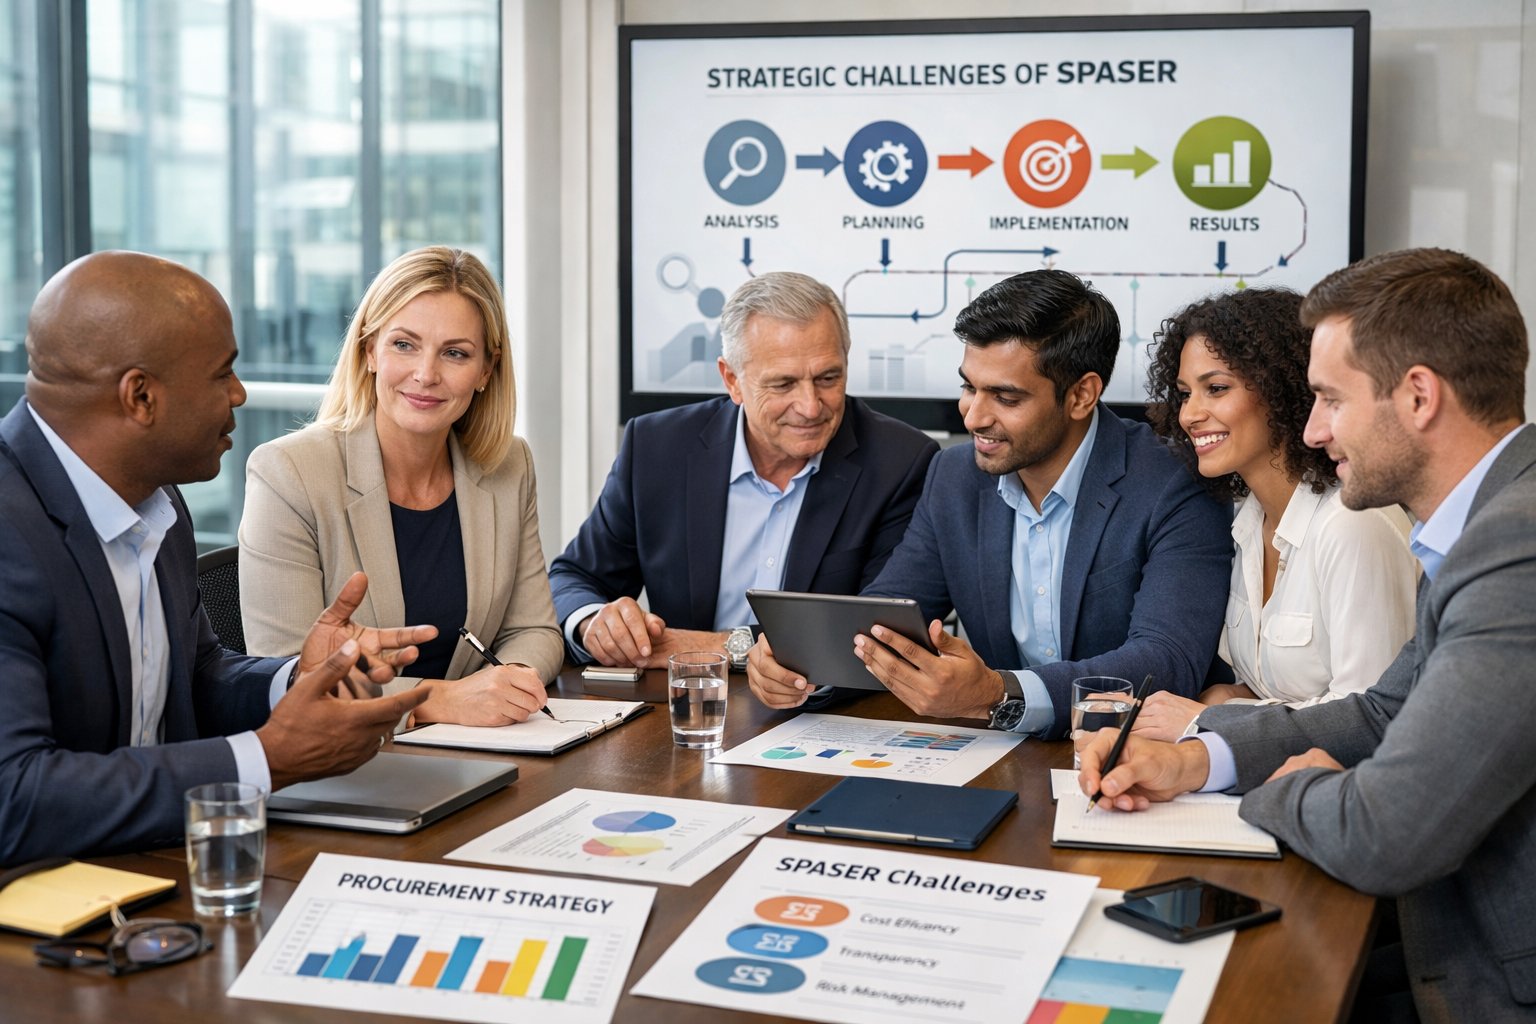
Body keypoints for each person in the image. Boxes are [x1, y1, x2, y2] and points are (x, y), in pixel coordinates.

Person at [1079, 248, 1534, 1024]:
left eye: (1329, 399)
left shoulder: (1512, 549)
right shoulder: (1478, 529)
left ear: (1418, 395)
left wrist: (1285, 784)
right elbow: (1380, 714)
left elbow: (1387, 832)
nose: (1315, 427)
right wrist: (1197, 759)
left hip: (1487, 974)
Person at [0, 251, 436, 863]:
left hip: (161, 873)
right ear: (140, 397)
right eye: (222, 373)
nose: (240, 393)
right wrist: (266, 759)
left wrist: (297, 680)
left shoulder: (156, 499)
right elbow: (12, 798)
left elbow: (196, 678)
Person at [747, 269, 1234, 738]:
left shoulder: (1174, 481)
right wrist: (801, 666)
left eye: (1005, 397)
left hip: (1134, 757)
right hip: (1000, 757)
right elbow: (886, 617)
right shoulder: (954, 477)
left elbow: (1167, 659)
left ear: (1082, 395)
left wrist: (1000, 694)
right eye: (968, 386)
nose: (974, 416)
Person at [547, 271, 939, 670]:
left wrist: (718, 647)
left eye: (828, 378)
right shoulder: (656, 447)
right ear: (732, 380)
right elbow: (574, 577)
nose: (810, 406)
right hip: (683, 706)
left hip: (818, 712)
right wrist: (594, 622)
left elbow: (875, 632)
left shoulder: (900, 462)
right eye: (783, 384)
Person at [240, 246, 562, 726]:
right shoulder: (288, 473)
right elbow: (290, 674)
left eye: (455, 353)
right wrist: (439, 700)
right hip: (348, 768)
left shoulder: (509, 465)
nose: (426, 374)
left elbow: (534, 628)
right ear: (369, 350)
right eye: (404, 345)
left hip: (483, 751)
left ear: (486, 371)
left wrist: (508, 683)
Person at [1132, 288, 1417, 742]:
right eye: (1185, 394)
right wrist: (1230, 695)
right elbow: (1275, 689)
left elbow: (1372, 722)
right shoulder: (1245, 522)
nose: (1189, 414)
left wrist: (1209, 718)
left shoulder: (1353, 524)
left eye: (1216, 389)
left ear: (1282, 389)